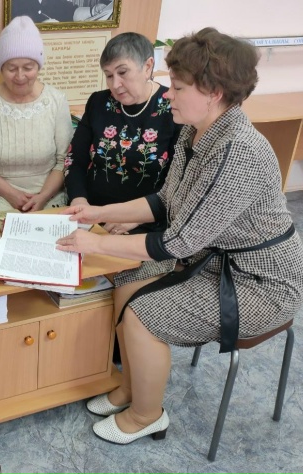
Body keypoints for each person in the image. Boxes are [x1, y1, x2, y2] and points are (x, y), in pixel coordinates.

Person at [56, 28, 303, 445]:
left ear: (214, 93)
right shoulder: (194, 130)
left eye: (179, 87)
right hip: (211, 258)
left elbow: (177, 243)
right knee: (127, 280)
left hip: (260, 283)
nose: (168, 95)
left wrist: (93, 242)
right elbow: (165, 201)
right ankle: (132, 388)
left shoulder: (237, 150)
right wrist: (96, 213)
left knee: (143, 315)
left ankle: (146, 415)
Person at [64, 32, 181, 236]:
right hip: (90, 215)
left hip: (143, 223)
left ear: (148, 66)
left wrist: (135, 218)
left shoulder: (173, 107)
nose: (115, 84)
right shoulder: (98, 103)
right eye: (109, 75)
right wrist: (79, 200)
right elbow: (75, 158)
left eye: (123, 72)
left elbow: (178, 182)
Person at [0, 16, 73, 215]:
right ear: (1, 67)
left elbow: (64, 160)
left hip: (50, 193)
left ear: (38, 66)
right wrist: (12, 195)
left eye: (28, 68)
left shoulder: (56, 100)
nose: (20, 76)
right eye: (11, 68)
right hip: (1, 195)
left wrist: (42, 196)